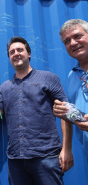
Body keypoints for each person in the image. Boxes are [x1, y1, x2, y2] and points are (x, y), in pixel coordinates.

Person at [0, 36, 67, 185]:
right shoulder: (4, 88)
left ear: (29, 54)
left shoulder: (49, 78)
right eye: (12, 52)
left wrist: (66, 149)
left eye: (20, 50)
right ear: (9, 57)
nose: (16, 54)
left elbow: (66, 113)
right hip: (16, 161)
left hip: (46, 157)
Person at [54, 19, 88, 168]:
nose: (73, 43)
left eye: (78, 36)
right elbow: (72, 112)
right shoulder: (72, 76)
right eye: (67, 41)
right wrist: (63, 111)